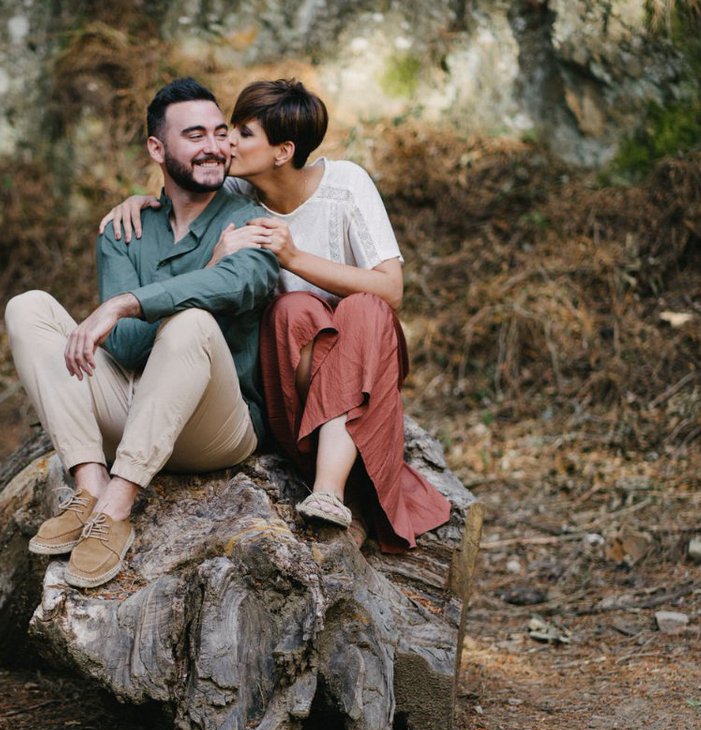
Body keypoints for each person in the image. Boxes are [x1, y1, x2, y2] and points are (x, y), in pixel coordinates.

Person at [100, 79, 449, 554]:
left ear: (283, 152)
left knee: (364, 308)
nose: (225, 143)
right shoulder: (236, 189)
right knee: (292, 309)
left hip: (363, 359)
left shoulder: (346, 184)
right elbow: (181, 191)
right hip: (289, 376)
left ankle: (331, 491)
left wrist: (294, 258)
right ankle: (338, 489)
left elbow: (391, 289)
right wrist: (139, 204)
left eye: (242, 133)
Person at [6, 78, 278, 588]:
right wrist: (206, 272)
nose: (214, 147)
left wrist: (128, 302)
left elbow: (247, 283)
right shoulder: (124, 228)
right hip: (133, 408)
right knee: (28, 307)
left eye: (220, 133)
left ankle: (116, 507)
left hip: (214, 427)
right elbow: (128, 347)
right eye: (195, 135)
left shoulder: (249, 219)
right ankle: (89, 482)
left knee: (192, 323)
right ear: (157, 148)